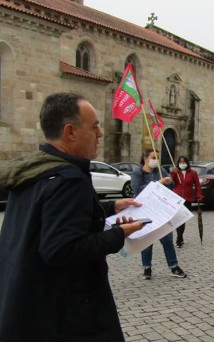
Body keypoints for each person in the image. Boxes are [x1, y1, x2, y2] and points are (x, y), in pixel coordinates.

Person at [0, 93, 146, 341]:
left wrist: (111, 207)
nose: (100, 133)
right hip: (64, 314)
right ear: (70, 132)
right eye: (95, 126)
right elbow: (61, 249)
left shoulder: (34, 169)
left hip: (22, 302)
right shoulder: (69, 179)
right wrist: (117, 235)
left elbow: (53, 216)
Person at [132, 149, 187, 280]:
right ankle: (147, 267)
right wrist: (157, 184)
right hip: (145, 211)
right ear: (145, 158)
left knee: (167, 240)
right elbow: (137, 190)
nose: (155, 160)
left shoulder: (161, 171)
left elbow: (171, 187)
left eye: (157, 157)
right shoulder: (137, 172)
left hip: (161, 211)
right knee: (147, 241)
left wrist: (169, 181)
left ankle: (174, 266)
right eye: (153, 157)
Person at [171, 155, 203, 248]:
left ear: (187, 163)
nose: (182, 164)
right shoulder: (176, 172)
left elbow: (197, 185)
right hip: (177, 198)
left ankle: (180, 237)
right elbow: (170, 182)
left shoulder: (193, 173)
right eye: (180, 162)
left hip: (187, 199)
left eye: (184, 162)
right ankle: (179, 238)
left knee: (182, 220)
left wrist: (199, 195)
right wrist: (173, 173)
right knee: (178, 219)